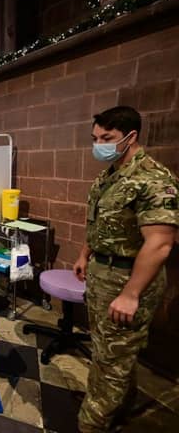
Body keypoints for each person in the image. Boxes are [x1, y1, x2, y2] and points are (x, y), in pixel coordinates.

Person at [73, 106, 178, 433]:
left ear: (131, 137)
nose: (98, 144)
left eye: (107, 138)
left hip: (128, 280)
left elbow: (160, 243)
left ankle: (91, 425)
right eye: (95, 138)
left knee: (111, 363)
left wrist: (132, 294)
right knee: (110, 352)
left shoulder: (152, 178)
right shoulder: (110, 175)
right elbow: (100, 223)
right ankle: (120, 406)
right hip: (102, 274)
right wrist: (84, 254)